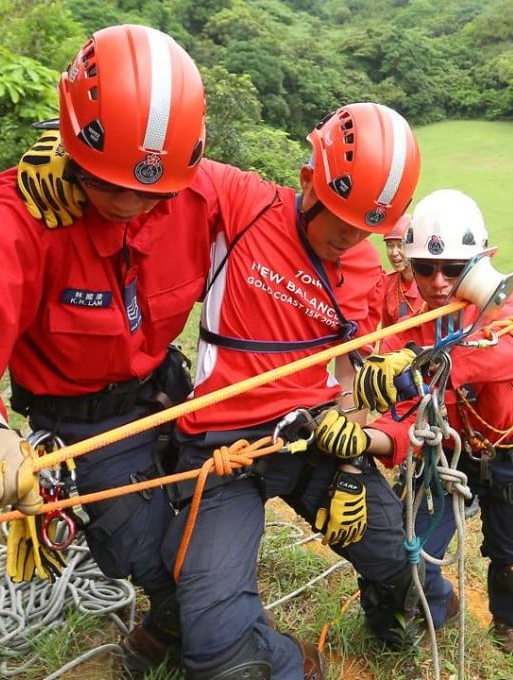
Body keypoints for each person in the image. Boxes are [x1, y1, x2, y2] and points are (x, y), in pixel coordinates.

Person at [0, 24, 324, 679]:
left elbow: (291, 222)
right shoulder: (22, 213)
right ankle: (181, 615)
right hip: (85, 427)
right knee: (151, 556)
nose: (129, 204)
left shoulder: (195, 190)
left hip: (171, 397)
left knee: (203, 532)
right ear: (69, 142)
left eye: (151, 191)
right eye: (109, 182)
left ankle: (194, 624)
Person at [162, 102, 446, 680]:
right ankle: (289, 662)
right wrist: (67, 157)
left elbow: (353, 374)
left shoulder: (365, 269)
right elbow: (153, 164)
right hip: (225, 453)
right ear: (307, 180)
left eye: (364, 228)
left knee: (402, 565)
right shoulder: (242, 202)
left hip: (315, 439)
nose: (348, 240)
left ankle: (405, 611)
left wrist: (351, 456)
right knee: (219, 658)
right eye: (339, 222)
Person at [352, 189, 513, 658]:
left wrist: (430, 363)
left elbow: (510, 354)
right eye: (424, 269)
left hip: (509, 451)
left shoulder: (512, 306)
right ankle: (438, 608)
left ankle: (509, 624)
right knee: (410, 551)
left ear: (482, 260)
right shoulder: (416, 328)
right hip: (442, 453)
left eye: (455, 268)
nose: (438, 282)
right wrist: (369, 435)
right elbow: (401, 407)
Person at [381, 216, 423, 327]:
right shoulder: (387, 283)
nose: (394, 252)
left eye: (401, 245)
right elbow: (386, 335)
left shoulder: (432, 281)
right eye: (390, 246)